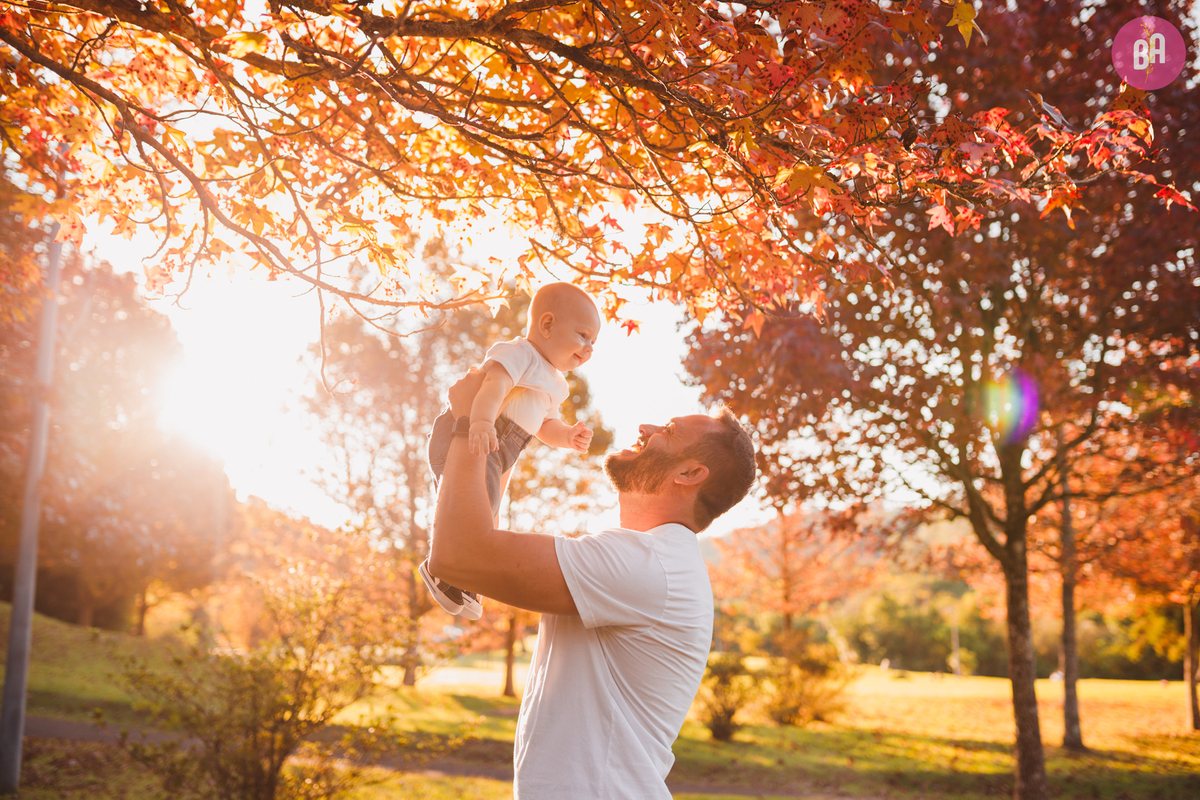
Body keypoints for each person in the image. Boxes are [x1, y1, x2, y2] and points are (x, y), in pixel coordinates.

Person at [428, 368, 756, 799]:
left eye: (669, 431)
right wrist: (503, 431)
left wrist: (470, 422)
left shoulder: (648, 565)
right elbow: (476, 541)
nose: (646, 427)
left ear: (691, 473)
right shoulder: (645, 559)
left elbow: (459, 556)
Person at [420, 282, 602, 619]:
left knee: (487, 515)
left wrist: (567, 436)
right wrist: (479, 422)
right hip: (478, 432)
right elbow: (494, 385)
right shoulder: (521, 353)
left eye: (593, 342)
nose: (589, 347)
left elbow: (546, 425)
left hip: (502, 448)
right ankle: (441, 570)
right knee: (474, 510)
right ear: (547, 324)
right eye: (583, 335)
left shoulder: (556, 383)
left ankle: (463, 577)